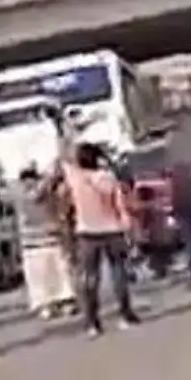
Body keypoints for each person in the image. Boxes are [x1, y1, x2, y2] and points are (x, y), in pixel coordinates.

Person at [61, 142, 139, 334]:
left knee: (89, 277)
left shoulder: (75, 179)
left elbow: (62, 161)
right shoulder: (108, 178)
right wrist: (128, 230)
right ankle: (125, 313)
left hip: (87, 232)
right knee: (118, 272)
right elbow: (120, 206)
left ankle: (92, 321)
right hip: (112, 229)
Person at [13, 165, 74, 318]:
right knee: (58, 273)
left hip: (31, 244)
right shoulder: (44, 192)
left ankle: (47, 306)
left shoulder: (18, 196)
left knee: (40, 277)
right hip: (50, 238)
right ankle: (64, 302)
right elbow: (40, 193)